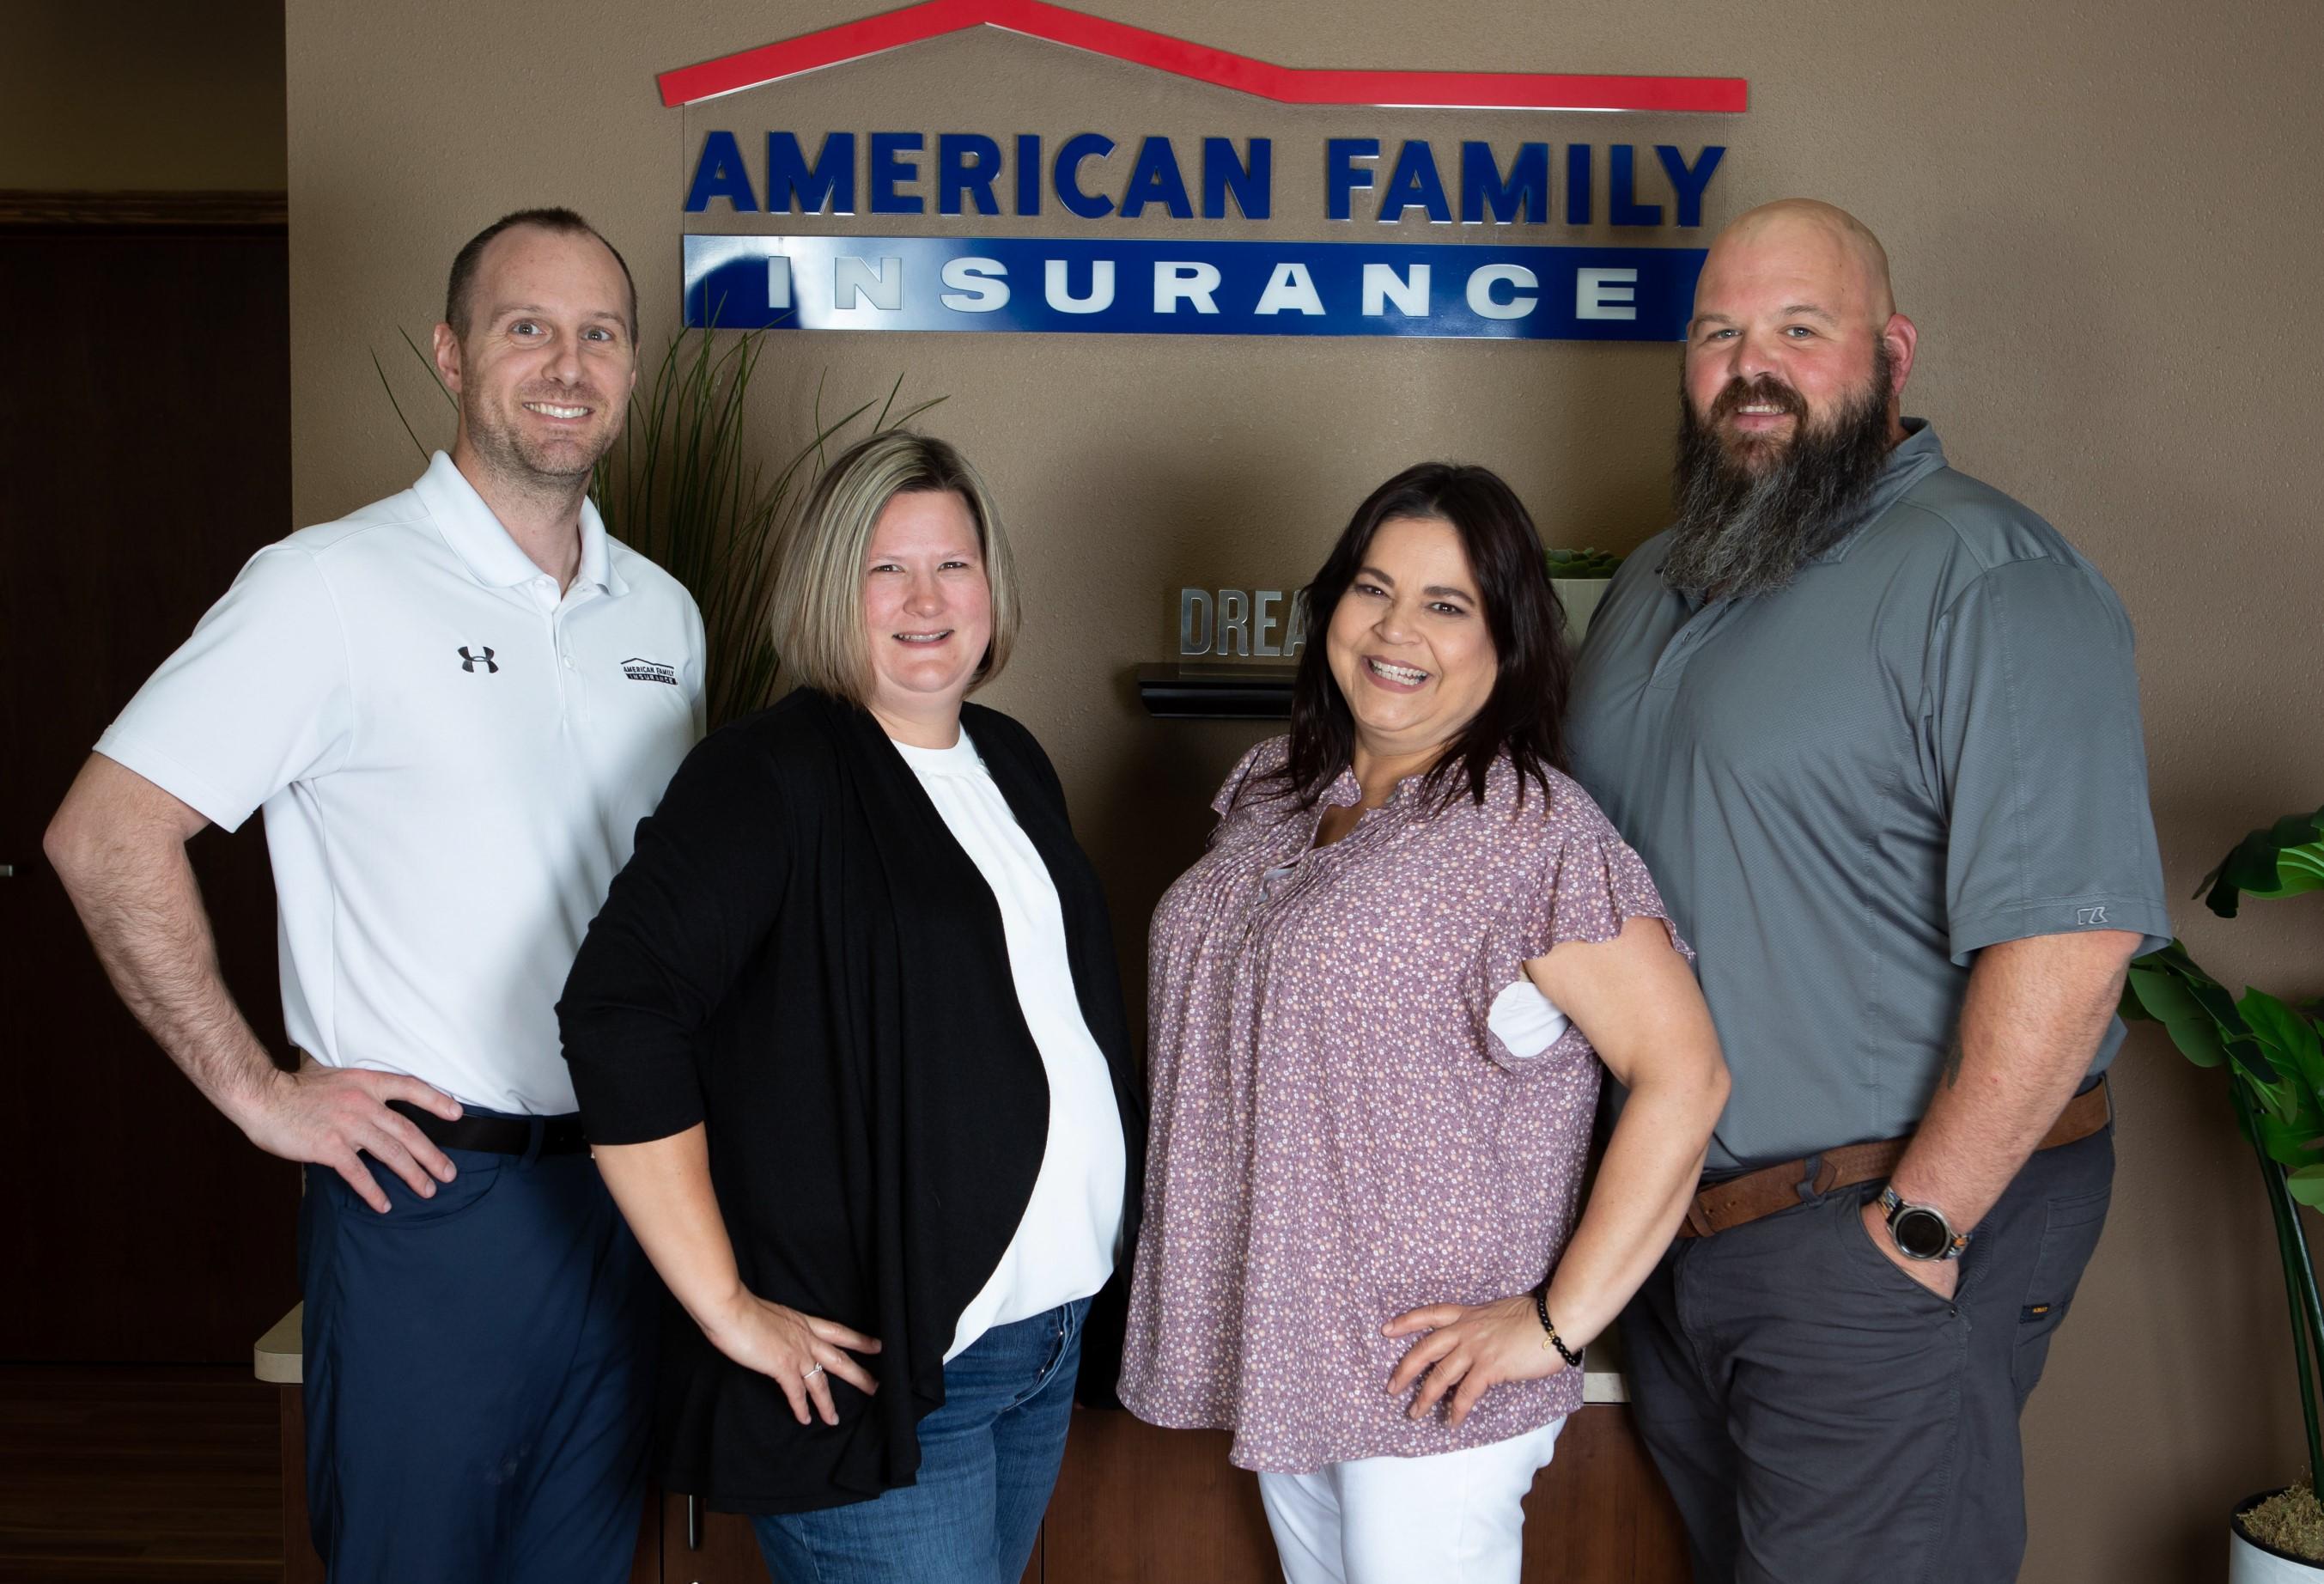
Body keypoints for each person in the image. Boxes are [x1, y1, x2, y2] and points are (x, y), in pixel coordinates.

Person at [41, 208, 704, 1582]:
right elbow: (104, 836)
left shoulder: (665, 615)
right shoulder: (328, 587)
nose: (567, 364)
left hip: (630, 1194)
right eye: (529, 327)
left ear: (633, 371)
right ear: (453, 355)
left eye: (599, 334)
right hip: (431, 1205)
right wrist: (255, 1088)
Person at [1567, 198, 2172, 1582]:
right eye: (1718, 332)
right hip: (1679, 1233)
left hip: (1871, 1226)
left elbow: (2069, 943)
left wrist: (1917, 1227)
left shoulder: (1992, 578)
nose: (1751, 364)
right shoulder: (1660, 579)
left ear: (1890, 353)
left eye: (1799, 329)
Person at [1120, 462, 1730, 1584]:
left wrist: (1552, 1324)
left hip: (1428, 1377)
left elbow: (1683, 1076)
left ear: (1507, 641)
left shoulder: (1528, 832)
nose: (1396, 629)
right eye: (1371, 588)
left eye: (1446, 604)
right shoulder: (1277, 789)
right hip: (1288, 1348)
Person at [556, 430, 1143, 1584]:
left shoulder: (1010, 758)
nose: (925, 600)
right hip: (894, 1371)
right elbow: (618, 1013)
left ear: (990, 585)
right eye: (886, 569)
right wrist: (725, 1306)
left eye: (953, 565)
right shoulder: (766, 774)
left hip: (1041, 1343)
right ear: (832, 587)